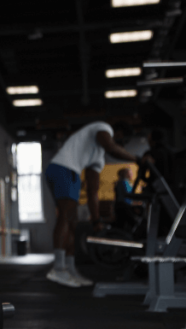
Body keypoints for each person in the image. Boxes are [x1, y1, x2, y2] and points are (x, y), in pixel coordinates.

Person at [44, 122, 142, 288]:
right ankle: (58, 268)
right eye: (120, 140)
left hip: (71, 173)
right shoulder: (103, 127)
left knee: (73, 223)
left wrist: (96, 220)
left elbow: (92, 192)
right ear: (116, 134)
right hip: (62, 168)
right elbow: (111, 147)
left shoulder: (97, 157)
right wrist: (136, 159)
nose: (121, 145)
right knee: (66, 217)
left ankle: (70, 269)